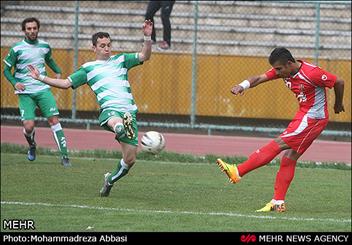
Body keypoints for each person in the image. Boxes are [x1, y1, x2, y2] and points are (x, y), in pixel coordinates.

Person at [28, 20, 153, 197]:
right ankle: (118, 127)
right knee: (117, 123)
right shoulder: (88, 68)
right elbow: (65, 83)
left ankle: (110, 180)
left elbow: (144, 56)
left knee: (130, 159)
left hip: (129, 113)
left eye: (109, 45)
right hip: (110, 111)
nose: (107, 48)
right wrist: (40, 77)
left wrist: (147, 37)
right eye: (102, 45)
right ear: (94, 48)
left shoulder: (121, 60)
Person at [216, 47, 345, 212]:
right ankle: (278, 202)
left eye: (278, 69)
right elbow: (258, 78)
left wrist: (338, 103)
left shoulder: (312, 73)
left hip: (313, 119)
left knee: (278, 143)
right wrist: (242, 86)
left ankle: (238, 171)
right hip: (305, 116)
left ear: (290, 63)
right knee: (289, 158)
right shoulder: (284, 70)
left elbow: (339, 81)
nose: (276, 72)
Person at [3, 17, 71, 167]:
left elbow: (49, 59)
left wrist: (58, 71)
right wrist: (15, 83)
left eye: (34, 28)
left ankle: (65, 156)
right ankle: (32, 145)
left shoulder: (45, 46)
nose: (32, 31)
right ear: (24, 31)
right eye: (29, 29)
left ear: (38, 29)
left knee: (54, 120)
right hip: (25, 92)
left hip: (42, 89)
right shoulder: (16, 49)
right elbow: (6, 70)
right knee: (28, 126)